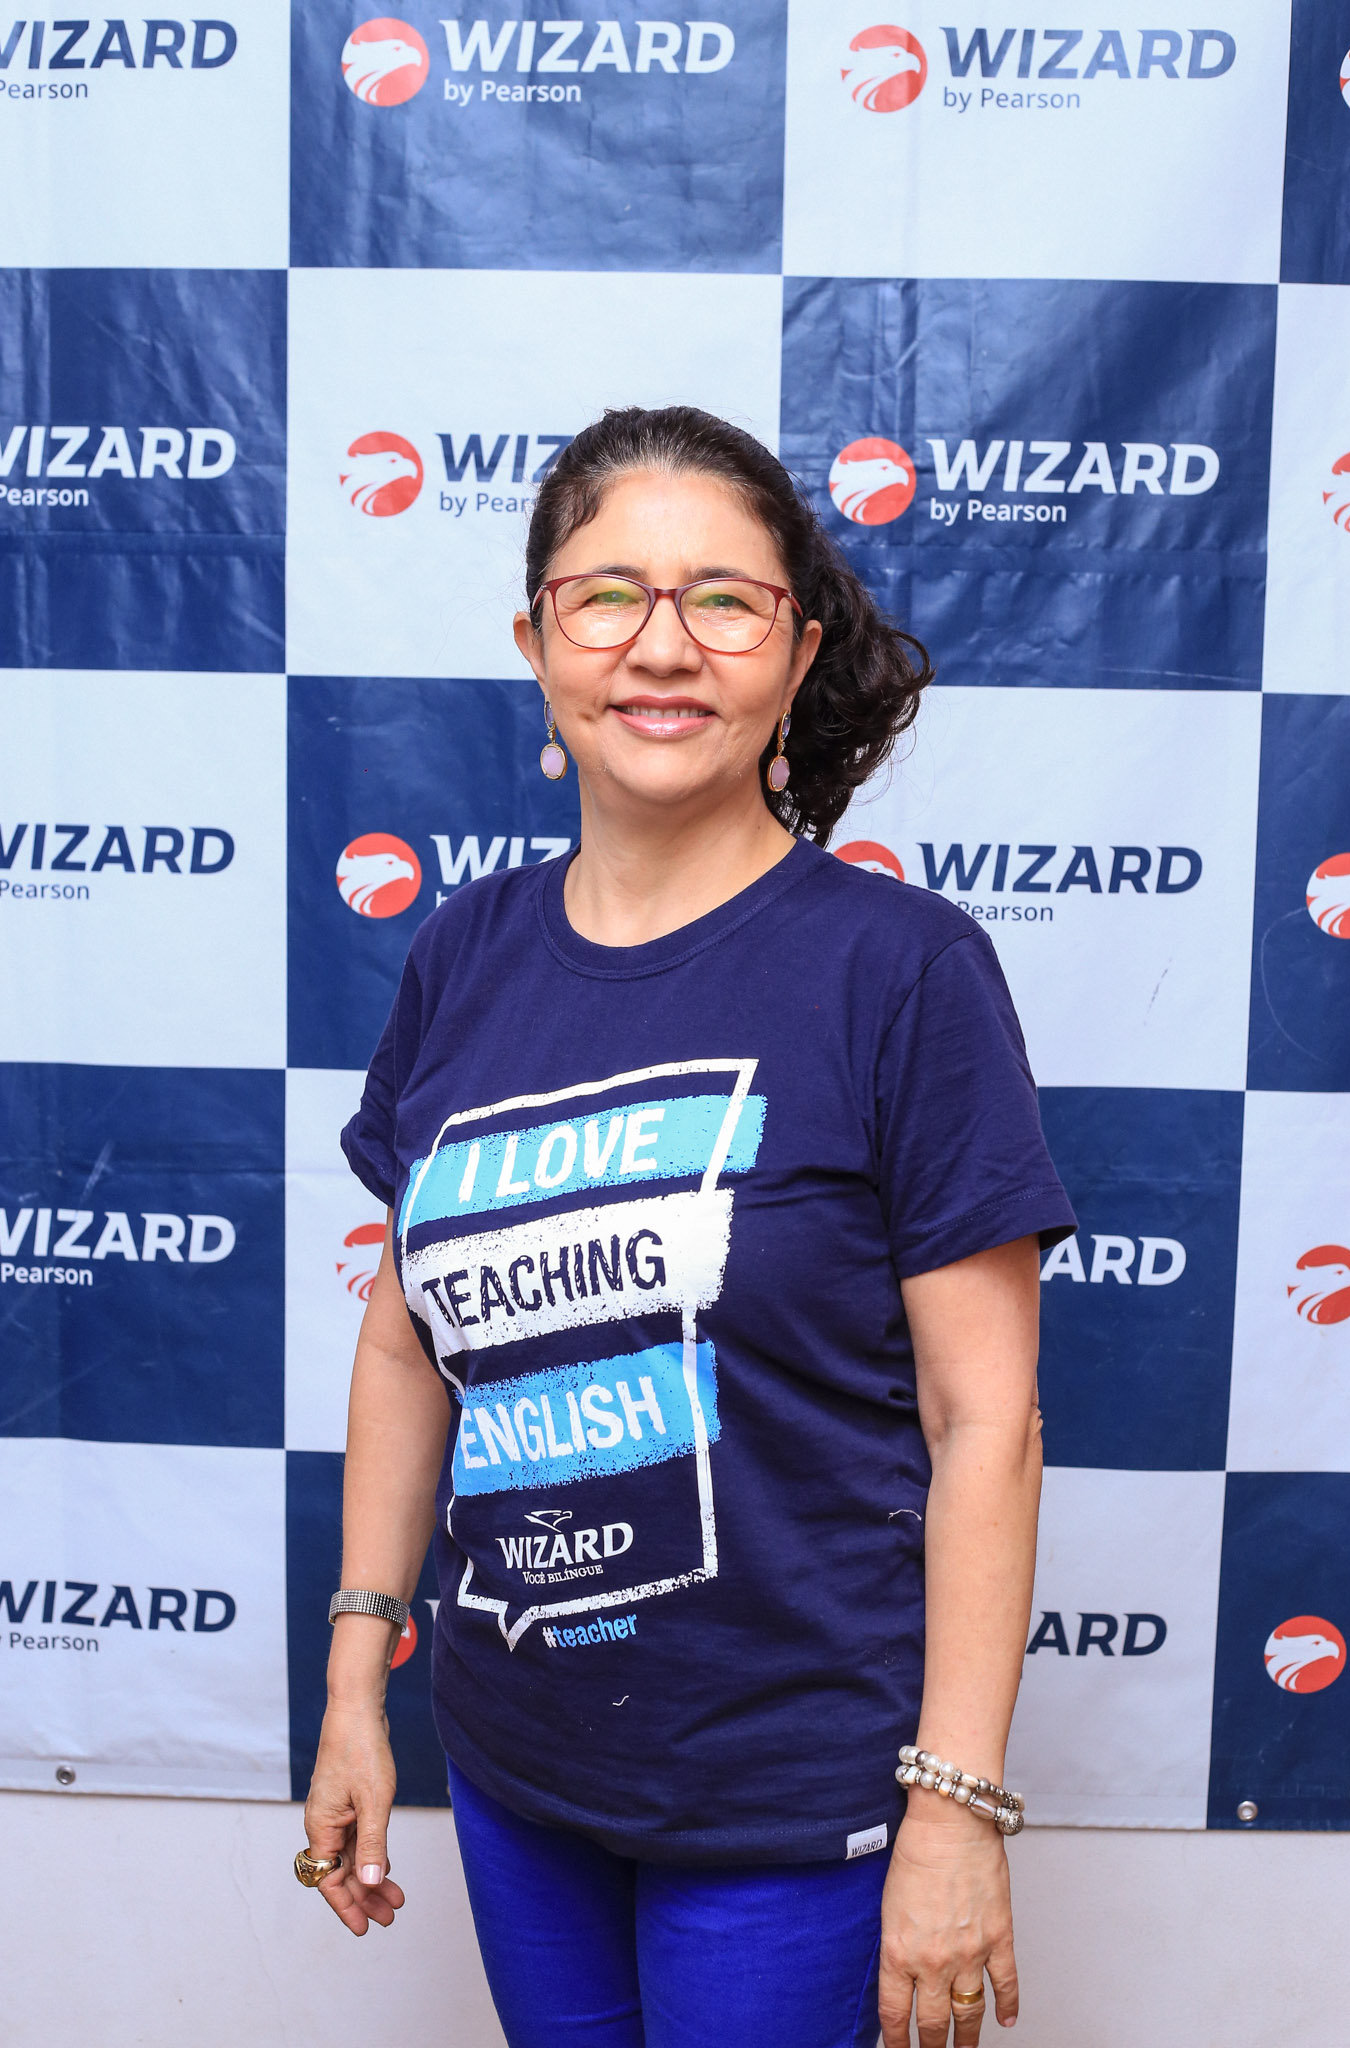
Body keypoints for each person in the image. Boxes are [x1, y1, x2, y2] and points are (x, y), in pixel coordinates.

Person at [297, 405, 1075, 2048]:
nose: (662, 647)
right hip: (517, 1759)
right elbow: (404, 1343)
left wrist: (954, 1808)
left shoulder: (901, 971)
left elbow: (984, 1422)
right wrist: (358, 1675)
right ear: (536, 647)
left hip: (789, 1790)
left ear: (795, 655)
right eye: (606, 596)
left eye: (723, 600)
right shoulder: (465, 952)